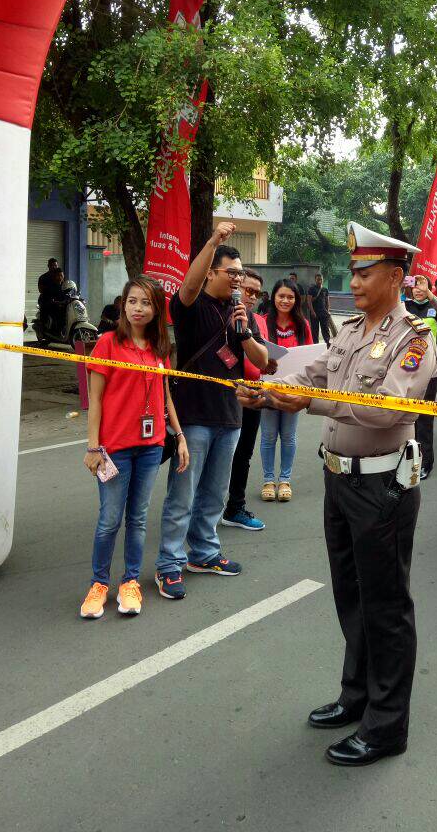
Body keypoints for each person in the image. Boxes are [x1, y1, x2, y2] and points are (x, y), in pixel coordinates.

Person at [237, 222, 437, 767]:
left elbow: (386, 409)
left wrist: (311, 404)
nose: (356, 280)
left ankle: (386, 726)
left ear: (395, 277)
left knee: (386, 605)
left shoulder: (415, 339)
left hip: (382, 485)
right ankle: (357, 696)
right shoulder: (349, 330)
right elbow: (313, 369)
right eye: (353, 271)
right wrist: (272, 390)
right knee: (351, 595)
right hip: (339, 478)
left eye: (364, 272)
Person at [154, 223, 268, 601]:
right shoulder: (191, 306)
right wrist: (213, 241)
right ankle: (169, 565)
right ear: (212, 272)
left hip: (229, 417)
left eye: (241, 273)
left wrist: (245, 332)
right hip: (194, 417)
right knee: (182, 495)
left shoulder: (241, 313)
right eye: (231, 272)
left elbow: (263, 361)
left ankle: (204, 553)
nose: (237, 280)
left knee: (215, 495)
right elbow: (187, 286)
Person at [80, 276, 189, 619]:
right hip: (115, 449)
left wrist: (179, 435)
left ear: (157, 309)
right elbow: (94, 400)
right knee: (110, 520)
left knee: (138, 519)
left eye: (146, 303)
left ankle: (130, 582)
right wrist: (93, 447)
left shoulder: (160, 349)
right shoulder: (108, 344)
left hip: (151, 447)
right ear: (123, 305)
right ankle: (99, 584)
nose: (138, 308)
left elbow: (165, 395)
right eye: (132, 301)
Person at [221, 270, 268, 531]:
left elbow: (260, 357)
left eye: (256, 293)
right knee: (214, 455)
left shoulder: (251, 320)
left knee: (243, 455)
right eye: (247, 290)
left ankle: (235, 507)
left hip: (251, 395)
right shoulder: (219, 314)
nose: (251, 297)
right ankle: (202, 507)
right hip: (223, 399)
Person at [259, 278, 313, 502]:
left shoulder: (303, 326)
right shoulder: (262, 322)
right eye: (281, 296)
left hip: (293, 392)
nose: (285, 300)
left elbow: (312, 357)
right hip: (267, 390)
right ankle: (268, 481)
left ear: (296, 300)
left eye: (290, 297)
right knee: (268, 436)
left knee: (289, 437)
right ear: (273, 297)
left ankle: (285, 480)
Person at [403, 274, 437, 479]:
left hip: (430, 370)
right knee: (404, 416)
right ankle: (408, 459)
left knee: (424, 418)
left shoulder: (435, 307)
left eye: (423, 285)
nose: (418, 288)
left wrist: (429, 294)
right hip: (405, 369)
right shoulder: (404, 306)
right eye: (415, 284)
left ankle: (426, 463)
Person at [307, 272, 332, 346]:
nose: (319, 281)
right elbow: (309, 301)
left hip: (323, 313)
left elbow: (327, 301)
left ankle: (327, 343)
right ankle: (315, 344)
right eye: (318, 279)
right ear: (315, 280)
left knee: (325, 329)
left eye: (321, 279)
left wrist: (328, 311)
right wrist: (312, 311)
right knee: (315, 330)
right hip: (315, 313)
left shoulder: (325, 289)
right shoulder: (311, 289)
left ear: (323, 280)